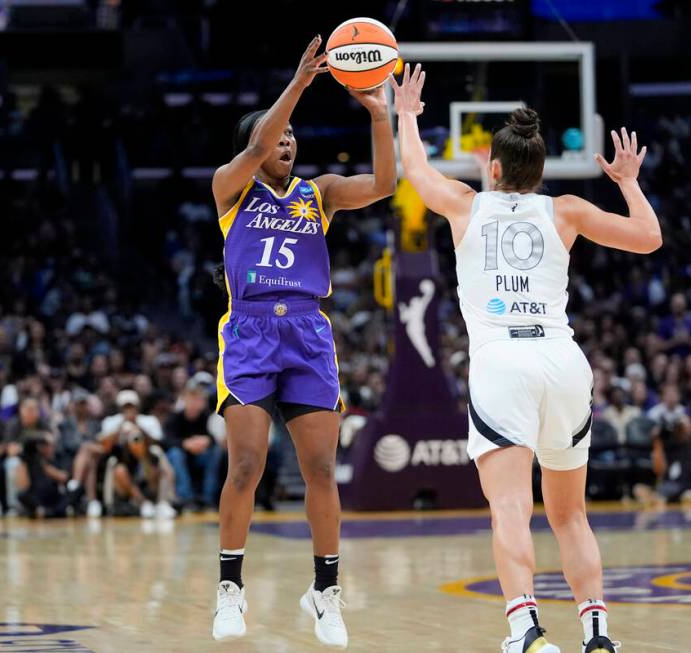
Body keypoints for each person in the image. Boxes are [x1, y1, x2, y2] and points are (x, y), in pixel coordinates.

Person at [393, 64, 661, 653]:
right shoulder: (565, 210)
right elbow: (648, 237)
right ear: (541, 172)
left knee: (511, 510)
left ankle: (526, 632)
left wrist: (407, 116)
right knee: (571, 516)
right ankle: (598, 634)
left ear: (492, 168)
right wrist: (627, 180)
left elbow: (413, 170)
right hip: (563, 362)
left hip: (502, 362)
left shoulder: (466, 205)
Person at [209, 36, 395, 648]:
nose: (285, 142)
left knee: (320, 468)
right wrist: (299, 82)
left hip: (309, 333)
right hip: (250, 332)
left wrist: (378, 115)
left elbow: (387, 183)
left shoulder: (320, 194)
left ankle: (326, 593)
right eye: (275, 135)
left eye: (291, 136)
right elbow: (261, 141)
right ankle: (230, 589)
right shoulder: (230, 188)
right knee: (247, 466)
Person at [98, 389, 176, 519]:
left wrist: (139, 428)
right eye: (125, 408)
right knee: (119, 470)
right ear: (120, 408)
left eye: (131, 407)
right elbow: (103, 445)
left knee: (160, 460)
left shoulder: (149, 421)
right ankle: (143, 503)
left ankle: (163, 502)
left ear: (137, 407)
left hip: (146, 462)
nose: (129, 411)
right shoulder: (111, 422)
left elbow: (159, 442)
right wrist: (119, 431)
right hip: (125, 465)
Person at [165, 381, 221, 511]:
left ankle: (208, 498)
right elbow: (167, 441)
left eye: (199, 400)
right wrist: (185, 444)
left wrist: (207, 440)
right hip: (181, 455)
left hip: (201, 455)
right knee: (175, 454)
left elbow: (214, 437)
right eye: (192, 399)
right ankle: (186, 498)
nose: (195, 404)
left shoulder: (207, 416)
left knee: (215, 452)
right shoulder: (174, 417)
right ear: (184, 400)